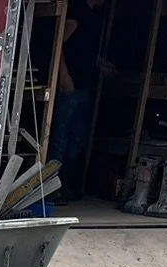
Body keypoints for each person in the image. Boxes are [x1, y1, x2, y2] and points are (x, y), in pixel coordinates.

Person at [50, 0, 109, 202]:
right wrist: (63, 75)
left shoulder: (95, 15)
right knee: (61, 137)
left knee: (77, 139)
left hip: (84, 85)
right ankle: (51, 188)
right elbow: (59, 44)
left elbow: (84, 48)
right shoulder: (77, 12)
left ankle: (64, 185)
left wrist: (100, 63)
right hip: (71, 85)